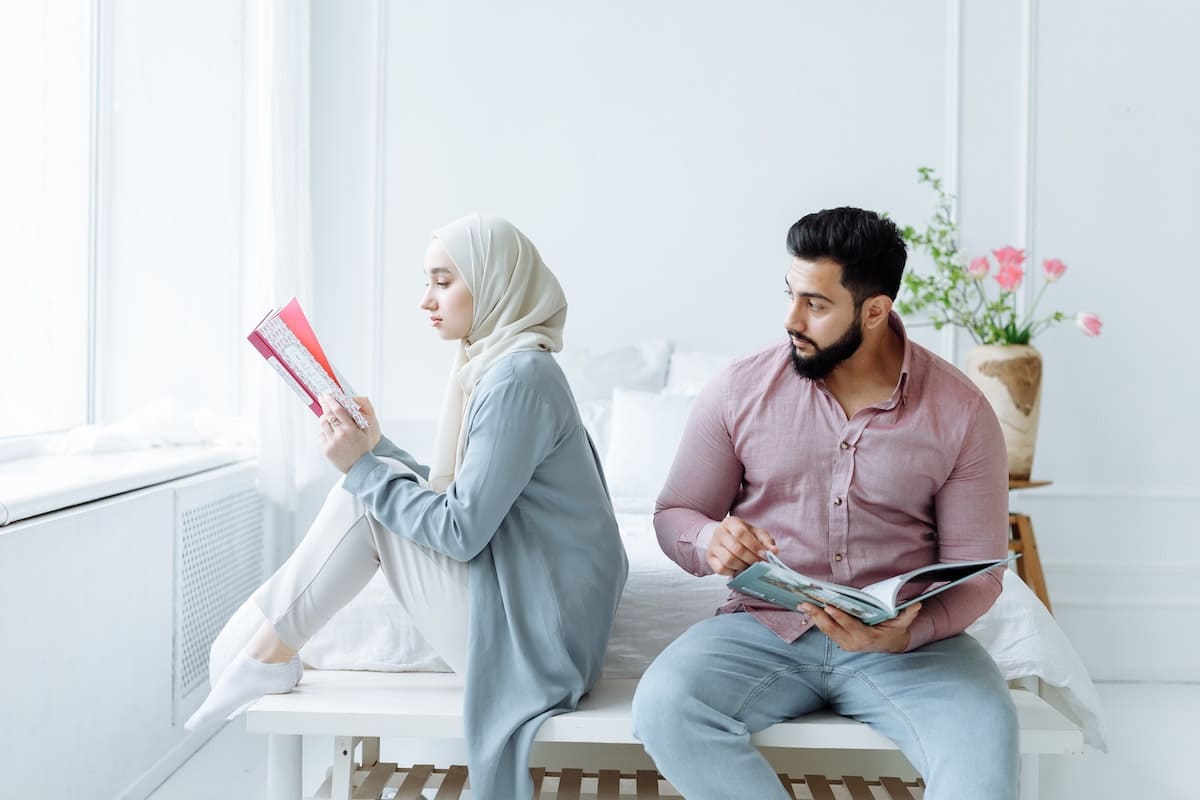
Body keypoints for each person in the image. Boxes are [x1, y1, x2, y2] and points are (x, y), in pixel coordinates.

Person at [187, 213, 628, 800]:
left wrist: (364, 468)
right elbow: (462, 496)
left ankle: (267, 653)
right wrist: (375, 447)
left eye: (443, 282)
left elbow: (460, 530)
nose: (426, 301)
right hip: (540, 623)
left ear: (495, 282)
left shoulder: (518, 379)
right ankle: (271, 652)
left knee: (366, 499)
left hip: (541, 647)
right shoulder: (504, 367)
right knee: (373, 484)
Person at [631, 207, 1017, 800]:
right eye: (790, 295)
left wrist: (908, 634)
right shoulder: (739, 390)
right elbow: (674, 515)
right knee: (664, 706)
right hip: (763, 630)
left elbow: (981, 572)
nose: (791, 319)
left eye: (815, 303)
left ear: (875, 309)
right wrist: (711, 541)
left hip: (910, 647)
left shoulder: (961, 413)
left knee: (985, 758)